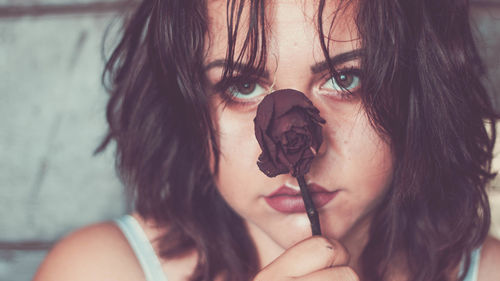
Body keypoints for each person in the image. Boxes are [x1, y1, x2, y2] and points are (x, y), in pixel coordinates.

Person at [33, 0, 500, 280]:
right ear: (186, 105)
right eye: (240, 85)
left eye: (346, 79)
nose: (303, 148)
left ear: (421, 89)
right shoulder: (98, 271)